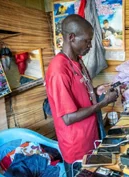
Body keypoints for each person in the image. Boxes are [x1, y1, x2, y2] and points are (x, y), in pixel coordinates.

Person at [44, 15, 118, 177]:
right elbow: (68, 118)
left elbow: (81, 91)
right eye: (87, 41)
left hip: (91, 136)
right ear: (71, 38)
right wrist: (103, 103)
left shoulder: (77, 60)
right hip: (77, 147)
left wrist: (97, 91)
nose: (90, 45)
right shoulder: (59, 71)